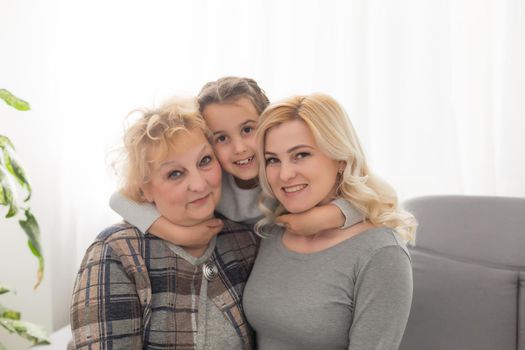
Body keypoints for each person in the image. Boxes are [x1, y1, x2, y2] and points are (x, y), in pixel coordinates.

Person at [69, 98, 258, 349]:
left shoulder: (244, 241)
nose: (199, 184)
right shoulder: (115, 252)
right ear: (145, 188)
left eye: (204, 161)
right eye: (175, 174)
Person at [243, 93, 416, 350]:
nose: (285, 174)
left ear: (340, 159)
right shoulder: (274, 228)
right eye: (272, 160)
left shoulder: (382, 253)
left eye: (301, 155)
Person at [109, 77, 362, 249]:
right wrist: (176, 233)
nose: (239, 149)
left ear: (268, 124)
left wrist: (331, 216)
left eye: (248, 130)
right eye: (221, 138)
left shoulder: (286, 176)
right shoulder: (212, 183)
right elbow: (119, 200)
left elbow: (370, 198)